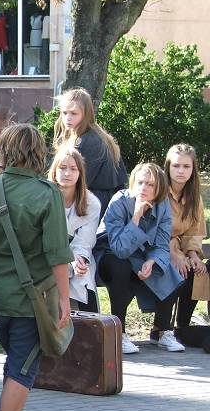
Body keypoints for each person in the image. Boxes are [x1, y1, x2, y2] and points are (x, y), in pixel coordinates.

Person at [0, 124, 72, 411]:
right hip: (31, 298)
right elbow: (58, 254)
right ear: (38, 152)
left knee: (15, 360)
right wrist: (65, 298)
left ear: (4, 151)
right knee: (23, 368)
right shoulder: (47, 193)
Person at [96, 163, 185, 354]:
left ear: (159, 188)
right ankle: (119, 333)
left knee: (169, 270)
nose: (143, 188)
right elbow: (120, 249)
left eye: (150, 184)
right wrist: (136, 216)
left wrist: (152, 261)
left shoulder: (163, 205)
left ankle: (162, 331)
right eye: (140, 182)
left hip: (142, 255)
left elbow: (162, 244)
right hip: (109, 255)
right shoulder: (119, 201)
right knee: (121, 267)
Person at [53, 87, 127, 217]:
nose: (68, 118)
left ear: (85, 114)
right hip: (107, 203)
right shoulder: (97, 135)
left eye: (74, 113)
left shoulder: (87, 141)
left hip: (95, 205)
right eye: (64, 113)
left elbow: (77, 182)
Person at [47, 146, 102, 311]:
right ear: (54, 170)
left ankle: (90, 324)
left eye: (73, 169)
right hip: (49, 257)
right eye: (62, 168)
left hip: (78, 256)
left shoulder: (91, 202)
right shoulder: (44, 197)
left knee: (83, 277)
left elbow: (85, 240)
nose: (67, 173)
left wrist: (78, 259)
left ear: (80, 173)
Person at [163, 144, 208, 332]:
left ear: (192, 169)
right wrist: (174, 254)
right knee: (180, 268)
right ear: (168, 167)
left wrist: (193, 254)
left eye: (186, 166)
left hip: (182, 249)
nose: (181, 171)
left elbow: (195, 231)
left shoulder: (194, 197)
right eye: (176, 165)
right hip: (160, 247)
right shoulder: (159, 192)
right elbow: (157, 231)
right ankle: (162, 327)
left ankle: (182, 325)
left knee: (197, 269)